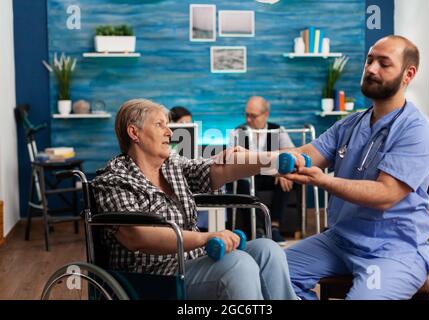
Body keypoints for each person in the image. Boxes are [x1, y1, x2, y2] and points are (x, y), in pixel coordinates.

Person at [91, 99, 297, 300]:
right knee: (238, 263)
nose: (169, 132)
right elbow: (137, 236)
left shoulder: (171, 165)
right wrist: (205, 238)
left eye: (168, 125)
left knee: (268, 250)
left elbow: (216, 169)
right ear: (134, 132)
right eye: (159, 124)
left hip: (191, 261)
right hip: (152, 277)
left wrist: (272, 161)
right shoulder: (114, 179)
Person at [284, 35, 429, 300]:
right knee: (269, 271)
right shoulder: (351, 124)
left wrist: (323, 181)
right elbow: (305, 154)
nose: (371, 68)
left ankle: (407, 273)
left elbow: (385, 194)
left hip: (391, 250)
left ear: (408, 74)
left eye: (384, 63)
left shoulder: (417, 130)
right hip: (339, 240)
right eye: (369, 60)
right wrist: (250, 157)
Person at [229, 96, 295, 245]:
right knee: (244, 183)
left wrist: (284, 171)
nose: (248, 119)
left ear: (266, 114)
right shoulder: (238, 131)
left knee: (286, 177)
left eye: (253, 115)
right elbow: (232, 157)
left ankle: (274, 227)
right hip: (248, 174)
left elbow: (290, 151)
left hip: (271, 174)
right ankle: (258, 229)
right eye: (246, 115)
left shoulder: (277, 130)